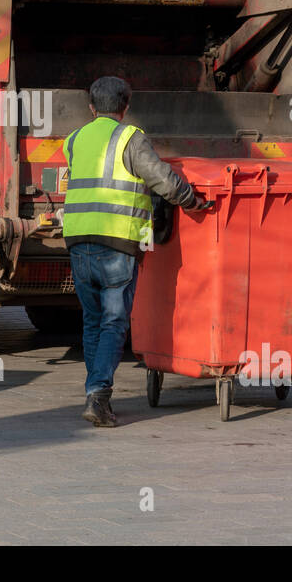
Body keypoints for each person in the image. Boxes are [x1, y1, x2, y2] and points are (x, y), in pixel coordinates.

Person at [61, 75, 202, 427]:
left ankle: (95, 393)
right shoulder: (130, 138)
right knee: (113, 322)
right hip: (118, 244)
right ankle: (98, 395)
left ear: (91, 107)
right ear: (126, 108)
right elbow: (163, 181)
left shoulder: (74, 140)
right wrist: (194, 201)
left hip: (78, 242)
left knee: (93, 321)